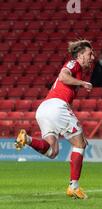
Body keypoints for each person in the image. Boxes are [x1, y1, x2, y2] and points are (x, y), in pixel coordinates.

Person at [15, 40, 95, 199]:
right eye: (89, 54)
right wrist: (83, 83)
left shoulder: (78, 69)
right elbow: (63, 76)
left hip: (44, 109)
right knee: (80, 144)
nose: (92, 57)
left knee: (52, 151)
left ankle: (27, 139)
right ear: (79, 55)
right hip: (57, 107)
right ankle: (74, 186)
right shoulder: (74, 64)